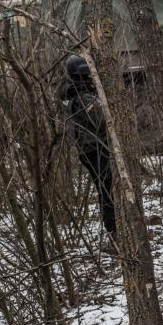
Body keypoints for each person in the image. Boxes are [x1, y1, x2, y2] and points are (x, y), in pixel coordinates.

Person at [58, 55, 117, 246]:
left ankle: (113, 230)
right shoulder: (82, 97)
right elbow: (101, 121)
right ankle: (113, 232)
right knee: (107, 191)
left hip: (88, 149)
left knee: (105, 190)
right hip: (95, 149)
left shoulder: (71, 92)